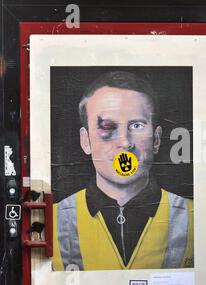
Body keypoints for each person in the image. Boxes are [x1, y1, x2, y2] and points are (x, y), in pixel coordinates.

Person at [52, 71, 194, 271]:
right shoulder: (54, 219)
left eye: (136, 125)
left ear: (156, 139)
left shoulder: (194, 216)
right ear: (86, 141)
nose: (125, 143)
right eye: (108, 127)